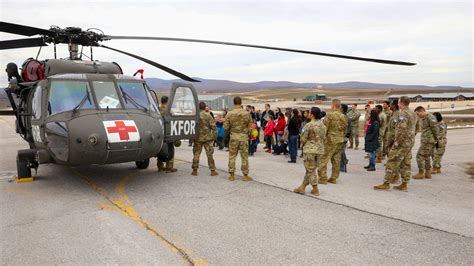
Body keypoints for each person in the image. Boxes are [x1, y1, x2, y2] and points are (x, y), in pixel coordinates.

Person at [374, 96, 416, 191]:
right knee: (405, 162)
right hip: (409, 142)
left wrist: (397, 141)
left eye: (399, 102)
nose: (398, 104)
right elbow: (415, 127)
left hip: (402, 142)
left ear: (401, 103)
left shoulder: (403, 113)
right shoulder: (412, 113)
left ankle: (386, 183)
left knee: (391, 161)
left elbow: (402, 129)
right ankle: (404, 184)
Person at [293, 107, 326, 196]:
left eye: (310, 112)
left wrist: (302, 144)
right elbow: (323, 137)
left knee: (310, 170)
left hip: (310, 150)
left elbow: (303, 138)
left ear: (312, 115)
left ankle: (315, 189)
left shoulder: (308, 125)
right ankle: (302, 187)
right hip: (319, 150)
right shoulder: (323, 125)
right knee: (310, 169)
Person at [318, 99, 348, 184]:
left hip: (330, 140)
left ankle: (323, 178)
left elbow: (324, 128)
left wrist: (322, 138)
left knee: (323, 159)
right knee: (336, 160)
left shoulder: (330, 115)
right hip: (340, 140)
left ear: (333, 105)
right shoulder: (343, 116)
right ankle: (334, 178)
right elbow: (345, 129)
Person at [224, 97, 253, 181]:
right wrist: (249, 136)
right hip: (244, 137)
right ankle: (245, 175)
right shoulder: (246, 113)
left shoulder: (229, 113)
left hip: (233, 137)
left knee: (232, 156)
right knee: (244, 156)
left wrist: (230, 133)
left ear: (234, 103)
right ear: (241, 102)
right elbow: (250, 127)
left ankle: (231, 175)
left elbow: (226, 127)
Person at [412, 106, 440, 179]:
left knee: (419, 156)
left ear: (421, 111)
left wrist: (436, 139)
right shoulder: (425, 118)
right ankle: (427, 173)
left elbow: (436, 129)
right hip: (426, 140)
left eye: (418, 114)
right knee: (426, 156)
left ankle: (421, 173)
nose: (418, 115)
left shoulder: (430, 117)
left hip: (428, 140)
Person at [192, 102, 218, 176]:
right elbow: (214, 128)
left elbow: (191, 127)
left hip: (197, 138)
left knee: (196, 154)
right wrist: (214, 137)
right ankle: (212, 171)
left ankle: (195, 170)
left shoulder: (195, 116)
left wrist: (192, 137)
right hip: (207, 139)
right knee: (209, 155)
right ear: (204, 107)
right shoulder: (208, 115)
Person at [157, 96, 177, 173]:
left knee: (160, 149)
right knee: (170, 149)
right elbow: (172, 122)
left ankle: (160, 166)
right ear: (167, 102)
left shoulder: (157, 110)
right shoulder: (168, 111)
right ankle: (169, 167)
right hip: (168, 133)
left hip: (160, 132)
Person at [385, 100, 401, 184]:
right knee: (391, 158)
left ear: (394, 106)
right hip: (390, 139)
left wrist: (393, 140)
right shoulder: (393, 114)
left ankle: (396, 177)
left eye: (391, 104)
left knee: (394, 159)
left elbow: (396, 129)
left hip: (394, 140)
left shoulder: (398, 115)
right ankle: (394, 176)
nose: (390, 106)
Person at [340, 104, 351, 172]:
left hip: (343, 137)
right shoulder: (342, 117)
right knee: (340, 151)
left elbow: (349, 129)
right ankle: (343, 163)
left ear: (342, 109)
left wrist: (346, 137)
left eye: (340, 108)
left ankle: (343, 166)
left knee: (341, 152)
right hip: (340, 137)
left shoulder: (345, 118)